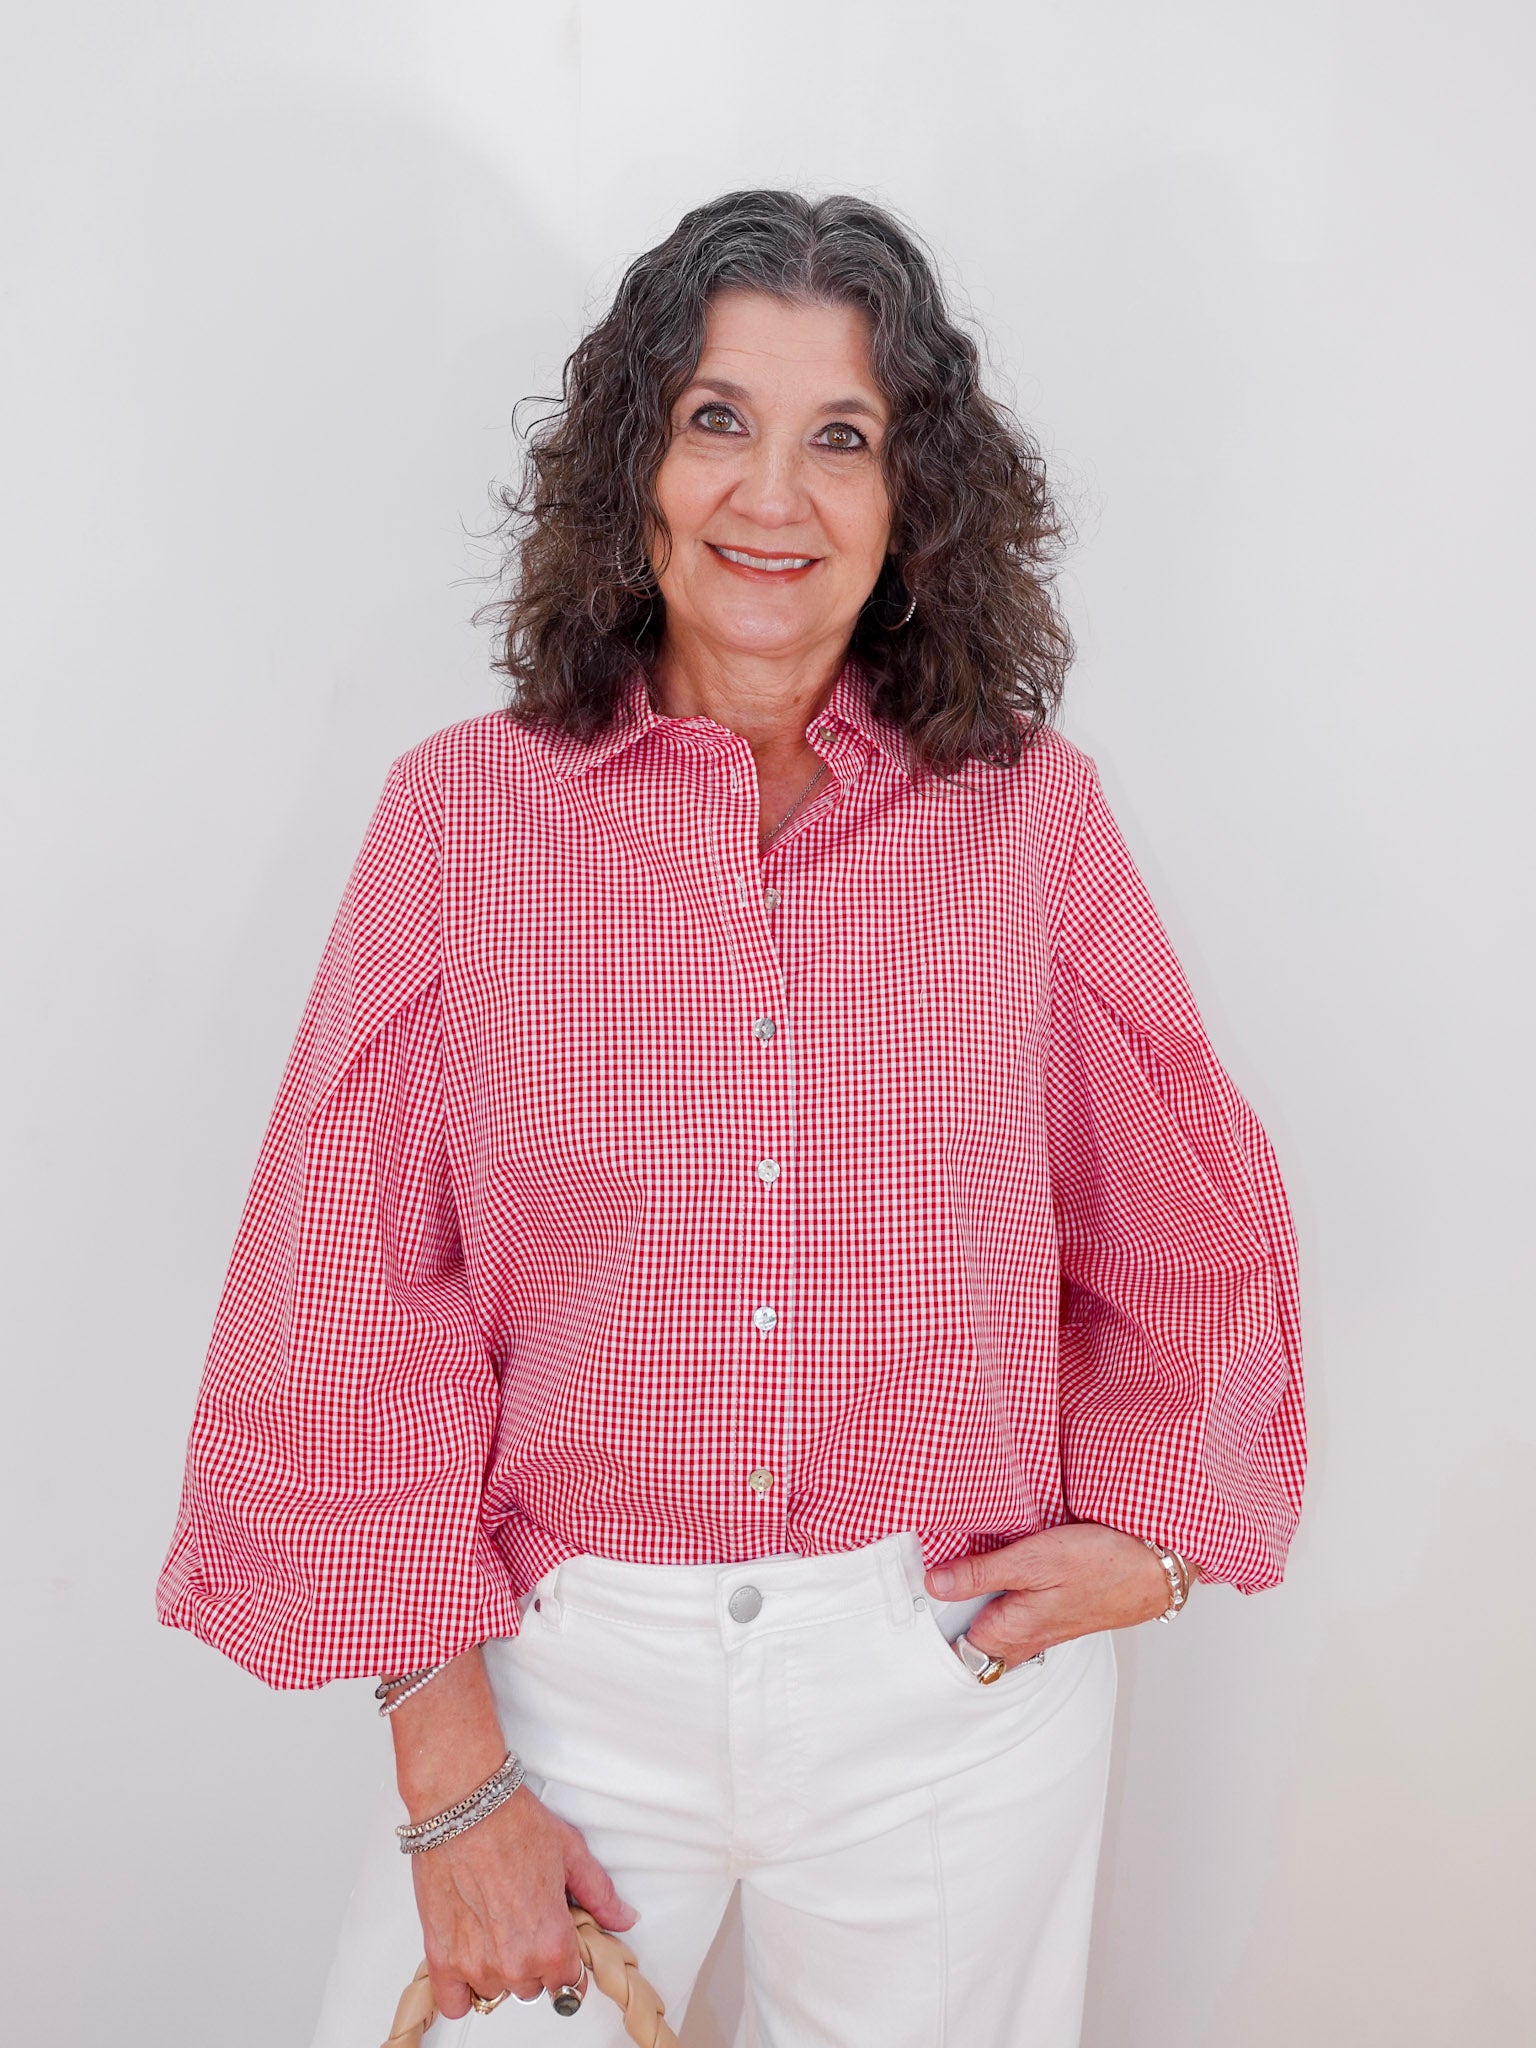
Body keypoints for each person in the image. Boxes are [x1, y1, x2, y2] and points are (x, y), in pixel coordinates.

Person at [157, 188, 1306, 2047]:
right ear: (638, 468)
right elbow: (348, 1290)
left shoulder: (1028, 822)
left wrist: (1166, 1538)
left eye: (841, 438)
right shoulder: (462, 821)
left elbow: (1187, 1200)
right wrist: (453, 1775)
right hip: (561, 1681)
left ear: (911, 498)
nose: (775, 496)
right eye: (719, 422)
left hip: (951, 1681)